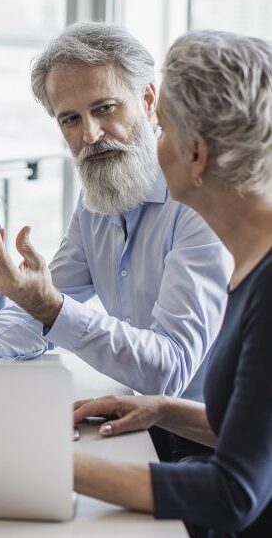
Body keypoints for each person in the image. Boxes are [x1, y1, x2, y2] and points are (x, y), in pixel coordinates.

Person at [0, 23, 232, 460]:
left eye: (105, 108)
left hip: (216, 448)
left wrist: (49, 306)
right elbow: (42, 312)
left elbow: (169, 371)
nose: (90, 134)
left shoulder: (199, 200)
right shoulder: (98, 198)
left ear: (147, 100)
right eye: (70, 118)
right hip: (140, 425)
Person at [72, 30, 272, 536]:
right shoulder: (253, 264)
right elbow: (257, 435)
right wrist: (163, 409)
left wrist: (47, 465)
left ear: (197, 153)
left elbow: (233, 494)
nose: (152, 146)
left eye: (160, 129)